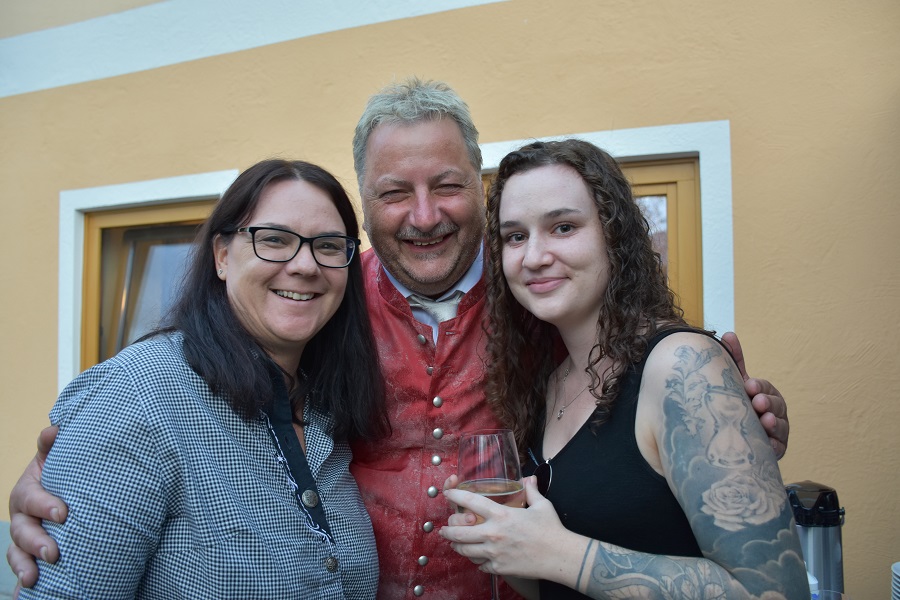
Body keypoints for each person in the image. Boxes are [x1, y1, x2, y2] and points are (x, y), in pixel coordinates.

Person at [8, 79, 791, 600]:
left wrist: (727, 418)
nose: (424, 215)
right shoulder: (324, 304)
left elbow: (633, 402)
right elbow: (181, 404)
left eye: (447, 186)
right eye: (393, 193)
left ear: (476, 184)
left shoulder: (539, 302)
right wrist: (65, 470)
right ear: (365, 202)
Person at [440, 139, 808, 599]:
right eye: (515, 236)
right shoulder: (551, 383)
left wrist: (559, 552)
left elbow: (776, 591)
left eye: (563, 227)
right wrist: (505, 544)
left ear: (614, 234)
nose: (533, 256)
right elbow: (564, 587)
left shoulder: (681, 364)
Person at [15, 159, 389, 599]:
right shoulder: (136, 396)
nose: (305, 265)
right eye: (273, 239)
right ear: (222, 256)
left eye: (328, 245)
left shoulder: (326, 409)